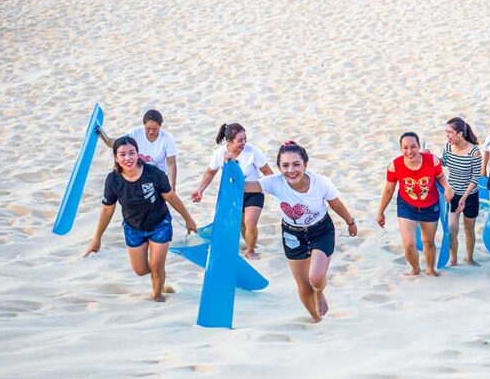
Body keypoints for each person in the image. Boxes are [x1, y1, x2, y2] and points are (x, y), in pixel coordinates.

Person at [243, 141, 357, 323]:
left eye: (296, 164)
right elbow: (244, 187)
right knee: (303, 285)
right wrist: (229, 166)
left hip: (321, 230)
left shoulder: (321, 183)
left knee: (316, 279)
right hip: (292, 235)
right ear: (279, 167)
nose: (291, 170)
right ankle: (315, 318)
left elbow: (335, 204)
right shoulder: (274, 182)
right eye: (285, 165)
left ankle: (319, 292)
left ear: (305, 164)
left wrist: (350, 222)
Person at [83, 136, 197, 302]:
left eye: (132, 153)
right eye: (122, 154)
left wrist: (188, 219)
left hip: (160, 224)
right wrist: (97, 238)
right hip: (133, 228)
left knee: (157, 266)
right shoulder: (113, 180)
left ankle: (157, 297)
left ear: (138, 154)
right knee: (140, 270)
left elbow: (171, 197)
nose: (127, 158)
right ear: (116, 157)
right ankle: (160, 277)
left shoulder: (153, 173)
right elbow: (108, 209)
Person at [190, 123, 273, 259]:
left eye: (245, 139)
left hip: (254, 191)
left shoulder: (253, 151)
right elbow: (210, 172)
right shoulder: (219, 154)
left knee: (250, 222)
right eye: (240, 140)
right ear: (229, 141)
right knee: (241, 225)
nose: (244, 143)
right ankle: (249, 242)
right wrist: (200, 189)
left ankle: (251, 250)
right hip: (233, 194)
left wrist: (278, 190)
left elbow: (268, 172)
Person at [377, 132, 453, 276]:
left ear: (418, 146)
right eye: (405, 148)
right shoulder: (395, 166)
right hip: (407, 206)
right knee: (409, 244)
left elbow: (440, 176)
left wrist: (447, 187)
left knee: (428, 242)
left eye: (413, 147)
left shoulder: (432, 161)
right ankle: (415, 269)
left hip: (430, 205)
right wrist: (381, 211)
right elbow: (388, 190)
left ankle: (430, 269)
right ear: (401, 148)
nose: (409, 151)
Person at [98, 109, 179, 189]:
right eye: (148, 128)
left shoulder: (167, 138)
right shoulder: (135, 133)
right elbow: (118, 144)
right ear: (144, 125)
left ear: (160, 126)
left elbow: (171, 164)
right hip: (138, 174)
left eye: (154, 129)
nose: (151, 132)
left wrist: (172, 187)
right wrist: (105, 138)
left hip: (158, 176)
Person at [442, 117, 482, 266]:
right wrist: (428, 156)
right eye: (446, 132)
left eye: (450, 133)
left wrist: (464, 198)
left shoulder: (474, 152)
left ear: (459, 134)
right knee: (452, 230)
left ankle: (470, 258)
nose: (447, 136)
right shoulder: (447, 147)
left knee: (468, 228)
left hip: (470, 195)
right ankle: (453, 260)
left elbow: (475, 178)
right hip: (452, 194)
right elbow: (443, 162)